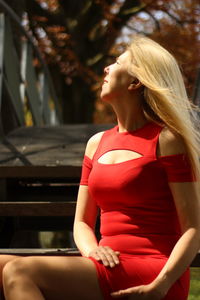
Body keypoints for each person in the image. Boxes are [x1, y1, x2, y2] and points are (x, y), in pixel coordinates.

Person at [1, 36, 200, 300]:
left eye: (117, 63)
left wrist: (160, 286)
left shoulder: (166, 141)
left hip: (154, 270)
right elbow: (82, 221)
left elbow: (193, 229)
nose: (105, 69)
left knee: (20, 270)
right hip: (107, 263)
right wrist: (91, 251)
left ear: (136, 82)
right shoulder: (97, 143)